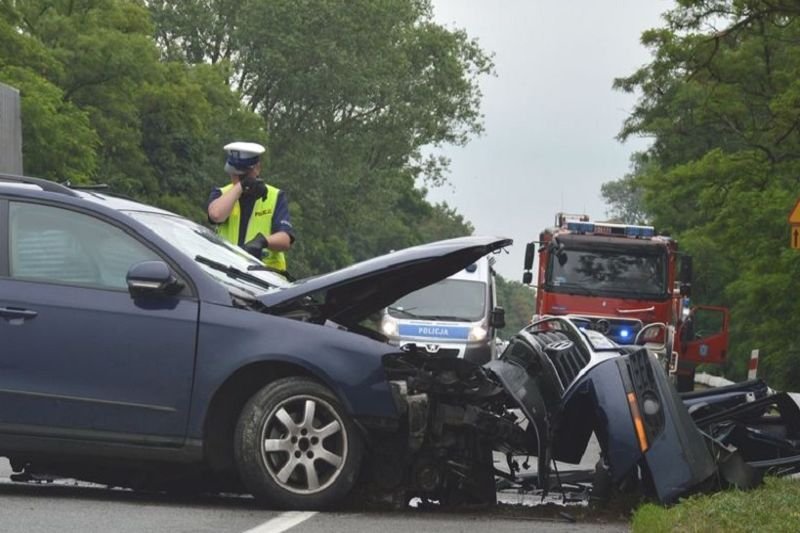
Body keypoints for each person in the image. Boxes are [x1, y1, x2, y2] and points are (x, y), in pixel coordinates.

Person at [207, 141, 294, 272]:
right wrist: (241, 186)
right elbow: (216, 215)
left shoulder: (275, 196)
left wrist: (262, 241)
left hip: (265, 277)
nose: (237, 178)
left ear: (257, 168)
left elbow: (285, 239)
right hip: (226, 273)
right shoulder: (222, 194)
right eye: (234, 174)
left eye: (243, 176)